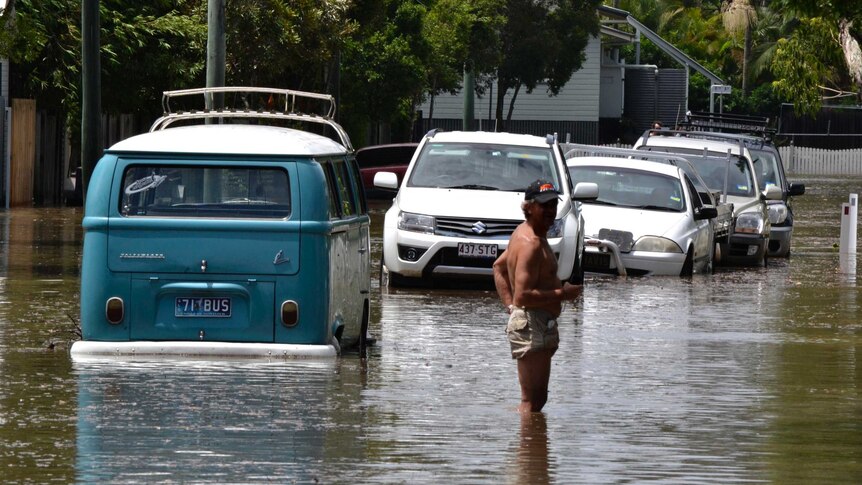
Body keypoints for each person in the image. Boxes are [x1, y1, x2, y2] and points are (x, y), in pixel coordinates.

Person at [493, 179, 583, 413]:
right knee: (531, 403)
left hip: (536, 322)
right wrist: (563, 294)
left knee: (537, 401)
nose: (550, 211)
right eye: (544, 205)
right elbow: (523, 295)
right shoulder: (530, 242)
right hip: (532, 324)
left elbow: (498, 268)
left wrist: (510, 307)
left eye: (553, 204)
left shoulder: (527, 234)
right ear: (529, 207)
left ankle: (535, 448)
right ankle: (527, 448)